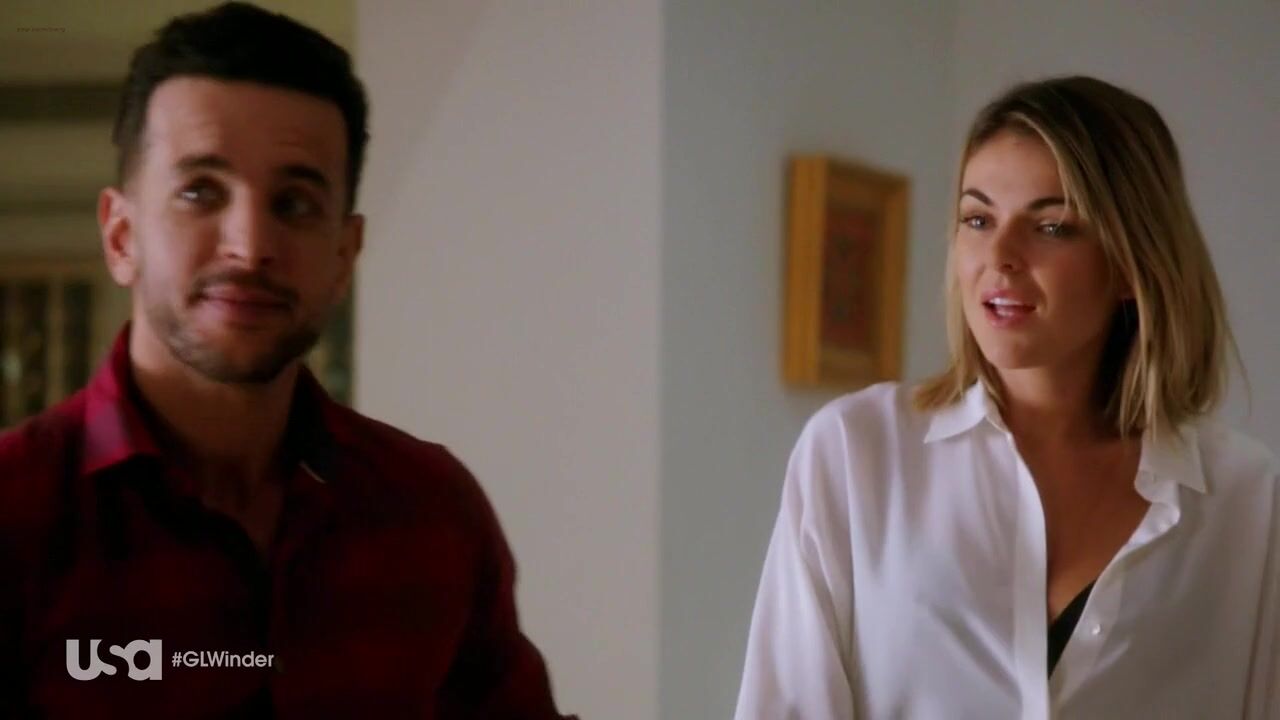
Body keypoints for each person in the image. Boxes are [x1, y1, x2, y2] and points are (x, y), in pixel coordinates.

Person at [0, 3, 574, 718]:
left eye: (295, 203)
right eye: (200, 191)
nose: (249, 245)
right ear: (121, 237)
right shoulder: (17, 513)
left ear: (344, 255)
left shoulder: (433, 513)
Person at [734, 76, 1279, 719]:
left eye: (1051, 226)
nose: (1000, 255)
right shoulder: (857, 452)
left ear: (1132, 264)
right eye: (978, 219)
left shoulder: (1249, 502)